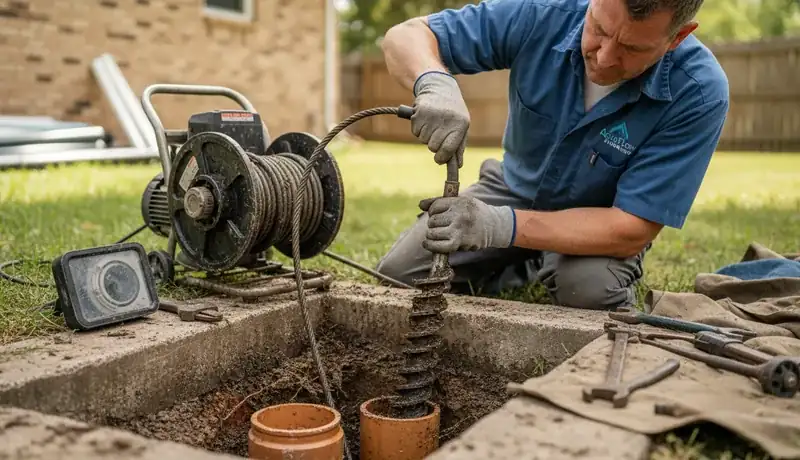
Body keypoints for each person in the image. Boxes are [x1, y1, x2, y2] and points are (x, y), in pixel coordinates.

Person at [374, 0, 729, 310]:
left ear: (677, 38)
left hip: (597, 221)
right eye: (600, 29)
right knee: (400, 275)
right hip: (513, 191)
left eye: (632, 49)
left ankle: (545, 258)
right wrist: (434, 82)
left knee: (589, 290)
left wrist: (499, 226)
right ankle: (525, 264)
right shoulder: (542, 13)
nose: (604, 58)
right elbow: (404, 36)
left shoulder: (698, 92)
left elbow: (631, 229)